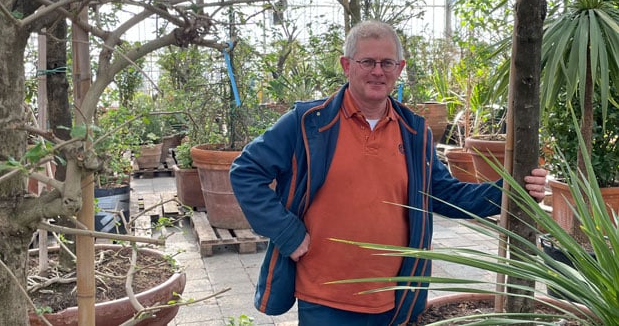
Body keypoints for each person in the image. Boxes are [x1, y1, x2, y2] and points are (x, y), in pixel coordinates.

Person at [229, 20, 548, 326]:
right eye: (367, 62)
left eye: (387, 63)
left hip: (395, 297)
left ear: (400, 69)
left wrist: (512, 191)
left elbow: (444, 194)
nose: (378, 71)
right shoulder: (308, 122)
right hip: (324, 296)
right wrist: (287, 234)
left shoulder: (414, 132)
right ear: (346, 65)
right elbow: (246, 171)